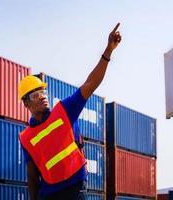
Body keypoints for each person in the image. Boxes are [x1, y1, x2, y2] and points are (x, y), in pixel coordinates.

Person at [18, 23, 122, 200]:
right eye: (36, 95)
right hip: (49, 195)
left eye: (43, 91)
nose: (43, 96)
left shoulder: (64, 110)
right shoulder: (26, 138)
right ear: (26, 104)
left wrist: (108, 51)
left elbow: (90, 84)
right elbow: (32, 177)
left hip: (76, 190)